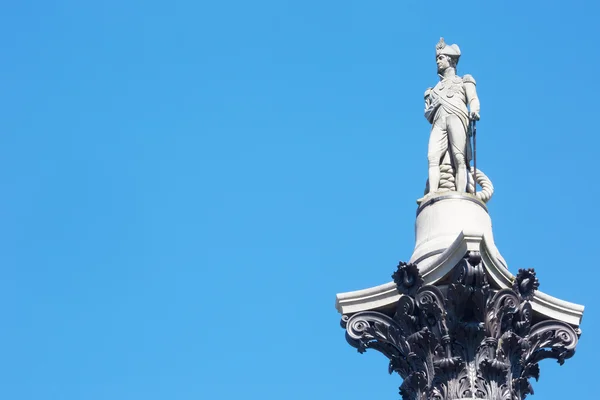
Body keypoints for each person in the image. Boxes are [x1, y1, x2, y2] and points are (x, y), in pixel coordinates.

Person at [424, 38, 480, 195]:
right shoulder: (433, 90)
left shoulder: (464, 81)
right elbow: (428, 114)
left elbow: (473, 99)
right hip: (438, 121)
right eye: (437, 58)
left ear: (450, 59)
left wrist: (474, 110)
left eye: (440, 58)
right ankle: (433, 192)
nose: (437, 61)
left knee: (459, 158)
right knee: (432, 157)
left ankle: (461, 193)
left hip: (457, 117)